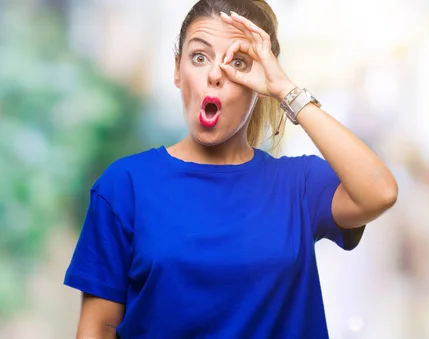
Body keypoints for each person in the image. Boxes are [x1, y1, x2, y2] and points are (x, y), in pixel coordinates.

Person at [63, 1, 398, 338]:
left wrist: (286, 91)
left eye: (239, 62)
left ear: (260, 82)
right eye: (199, 57)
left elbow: (380, 192)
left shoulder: (299, 185)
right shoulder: (124, 185)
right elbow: (98, 326)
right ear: (177, 70)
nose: (215, 75)